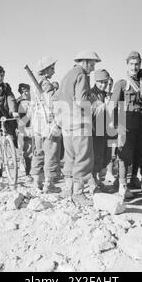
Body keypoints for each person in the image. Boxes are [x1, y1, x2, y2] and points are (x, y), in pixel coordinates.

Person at [58, 50, 101, 205]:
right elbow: (81, 101)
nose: (93, 68)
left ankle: (68, 189)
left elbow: (57, 97)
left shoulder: (67, 75)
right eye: (93, 64)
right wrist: (94, 101)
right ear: (85, 62)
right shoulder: (82, 75)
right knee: (84, 158)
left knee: (70, 157)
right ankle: (78, 193)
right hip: (80, 123)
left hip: (66, 124)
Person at [111, 51, 142, 199]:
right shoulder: (122, 83)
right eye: (131, 64)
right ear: (127, 65)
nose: (134, 67)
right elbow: (112, 106)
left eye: (137, 64)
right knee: (124, 155)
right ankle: (122, 186)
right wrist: (116, 126)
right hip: (126, 120)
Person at [30, 56, 61, 193]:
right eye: (52, 68)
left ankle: (36, 182)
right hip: (48, 123)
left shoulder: (34, 84)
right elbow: (52, 103)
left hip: (37, 125)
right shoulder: (46, 85)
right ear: (45, 70)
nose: (54, 71)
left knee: (39, 153)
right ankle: (49, 184)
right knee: (51, 153)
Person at [90, 69, 110, 189]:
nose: (103, 85)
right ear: (95, 81)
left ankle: (97, 177)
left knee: (102, 155)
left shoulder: (106, 94)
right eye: (101, 82)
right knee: (94, 154)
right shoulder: (90, 94)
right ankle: (92, 179)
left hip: (104, 129)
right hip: (94, 129)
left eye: (105, 82)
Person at [16, 83, 33, 182]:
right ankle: (28, 173)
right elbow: (20, 119)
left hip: (33, 128)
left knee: (30, 151)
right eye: (22, 92)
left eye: (26, 91)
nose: (25, 93)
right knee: (26, 151)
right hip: (24, 129)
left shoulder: (33, 101)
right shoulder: (20, 102)